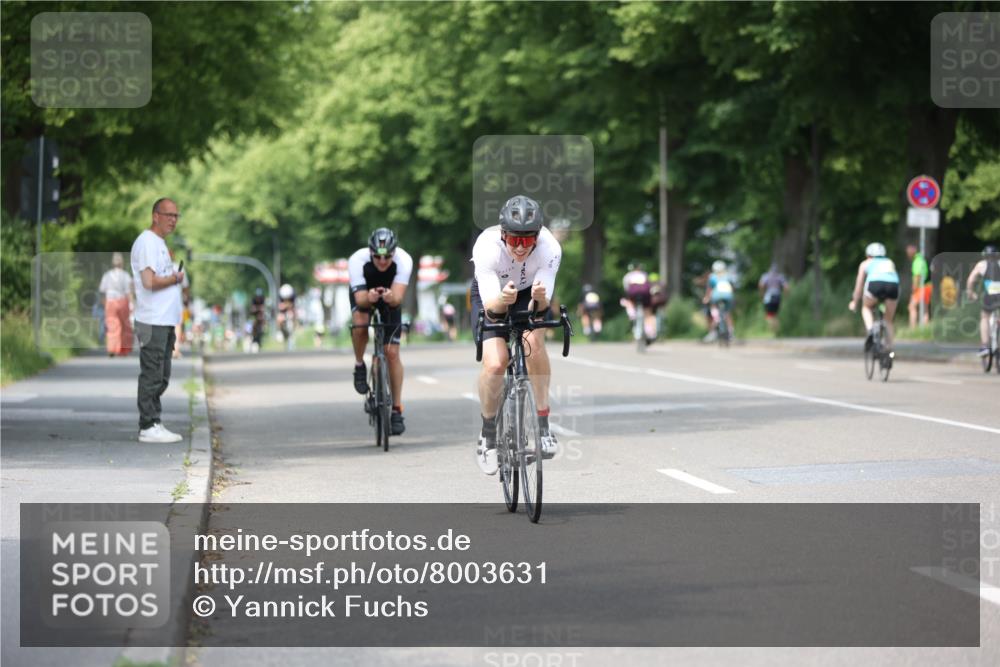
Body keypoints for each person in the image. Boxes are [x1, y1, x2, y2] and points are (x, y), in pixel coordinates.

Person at [471, 195, 561, 475]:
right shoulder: (486, 247)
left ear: (537, 236)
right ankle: (487, 436)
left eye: (527, 240)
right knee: (496, 363)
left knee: (533, 340)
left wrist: (539, 300)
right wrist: (503, 300)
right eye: (514, 240)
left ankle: (544, 426)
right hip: (494, 295)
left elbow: (541, 307)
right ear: (503, 234)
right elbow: (492, 309)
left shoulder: (550, 248)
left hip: (529, 294)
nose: (521, 247)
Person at [130, 198, 185, 444]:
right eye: (168, 214)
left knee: (162, 375)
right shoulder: (147, 242)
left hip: (163, 320)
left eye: (176, 215)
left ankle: (154, 421)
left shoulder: (159, 244)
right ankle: (148, 425)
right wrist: (174, 279)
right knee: (152, 374)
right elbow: (149, 282)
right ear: (155, 216)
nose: (173, 219)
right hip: (151, 320)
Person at [349, 228, 414, 436]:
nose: (383, 261)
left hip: (390, 298)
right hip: (364, 294)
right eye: (377, 256)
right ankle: (359, 364)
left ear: (394, 252)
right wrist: (369, 296)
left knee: (392, 353)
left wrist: (388, 296)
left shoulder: (404, 260)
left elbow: (397, 298)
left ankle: (396, 410)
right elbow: (359, 299)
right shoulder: (357, 260)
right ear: (370, 252)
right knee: (360, 323)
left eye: (387, 256)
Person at [848, 242, 899, 354]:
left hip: (874, 285)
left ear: (868, 255)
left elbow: (859, 285)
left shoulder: (865, 263)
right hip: (893, 286)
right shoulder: (890, 262)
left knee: (866, 308)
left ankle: (871, 330)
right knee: (888, 321)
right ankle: (889, 351)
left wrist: (855, 302)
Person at [965, 245, 1000, 358]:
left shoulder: (982, 265)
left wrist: (970, 292)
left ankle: (985, 346)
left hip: (990, 295)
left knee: (984, 317)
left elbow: (971, 280)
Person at [99, 252, 134, 357]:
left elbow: (102, 291)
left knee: (112, 325)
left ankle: (112, 348)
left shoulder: (107, 275)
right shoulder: (125, 275)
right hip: (122, 301)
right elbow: (129, 292)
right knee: (124, 326)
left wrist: (104, 303)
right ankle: (123, 350)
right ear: (122, 262)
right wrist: (132, 304)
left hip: (110, 301)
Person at [621, 263, 656, 344]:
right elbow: (649, 286)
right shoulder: (645, 274)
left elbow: (626, 288)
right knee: (648, 313)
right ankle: (650, 331)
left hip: (633, 293)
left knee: (629, 301)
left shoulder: (628, 276)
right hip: (645, 294)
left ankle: (632, 313)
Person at [703, 260, 735, 341]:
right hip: (728, 296)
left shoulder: (712, 276)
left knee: (714, 308)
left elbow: (709, 289)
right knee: (727, 313)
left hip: (716, 296)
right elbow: (732, 287)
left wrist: (706, 297)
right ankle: (731, 332)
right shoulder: (728, 275)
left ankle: (713, 331)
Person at [907, 244, 931, 327]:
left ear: (912, 252)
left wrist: (914, 289)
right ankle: (925, 329)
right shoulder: (922, 259)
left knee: (911, 307)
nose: (907, 255)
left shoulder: (917, 261)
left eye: (908, 253)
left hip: (921, 287)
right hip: (928, 286)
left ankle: (912, 329)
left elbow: (917, 276)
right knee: (925, 309)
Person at [758, 263, 788, 331]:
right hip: (778, 296)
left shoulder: (766, 276)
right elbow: (786, 287)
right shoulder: (780, 276)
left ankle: (771, 330)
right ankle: (777, 330)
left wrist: (762, 294)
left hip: (769, 296)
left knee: (769, 314)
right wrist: (786, 295)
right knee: (775, 314)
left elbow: (761, 285)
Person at [277, 283, 297, 349]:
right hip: (283, 312)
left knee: (293, 315)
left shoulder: (293, 296)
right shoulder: (280, 297)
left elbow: (293, 307)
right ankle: (280, 331)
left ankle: (292, 333)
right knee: (279, 318)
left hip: (290, 311)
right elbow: (280, 307)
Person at [249, 287, 266, 353]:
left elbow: (264, 308)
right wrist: (258, 309)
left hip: (261, 316)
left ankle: (260, 339)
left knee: (262, 322)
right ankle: (253, 338)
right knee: (253, 324)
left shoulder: (263, 299)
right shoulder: (253, 300)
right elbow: (252, 309)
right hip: (254, 316)